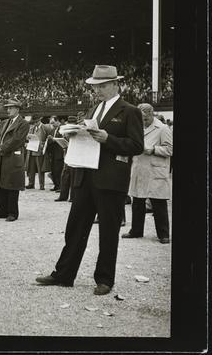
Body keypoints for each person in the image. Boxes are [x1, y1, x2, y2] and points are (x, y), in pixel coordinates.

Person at [35, 65, 143, 296]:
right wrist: (73, 136)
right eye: (95, 86)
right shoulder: (93, 109)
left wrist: (108, 139)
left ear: (116, 84)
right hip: (85, 176)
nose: (97, 90)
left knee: (108, 231)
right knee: (75, 228)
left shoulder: (130, 111)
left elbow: (136, 146)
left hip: (111, 179)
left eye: (102, 86)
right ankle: (64, 274)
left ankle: (105, 279)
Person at [122, 103, 173, 243]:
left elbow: (170, 149)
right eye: (140, 119)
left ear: (152, 114)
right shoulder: (136, 127)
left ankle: (163, 234)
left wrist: (153, 149)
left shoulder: (162, 128)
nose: (142, 122)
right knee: (137, 201)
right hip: (139, 168)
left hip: (155, 170)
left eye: (145, 119)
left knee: (158, 203)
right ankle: (136, 230)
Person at [0, 100, 29, 222]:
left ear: (17, 109)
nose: (8, 110)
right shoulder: (4, 122)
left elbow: (17, 140)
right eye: (7, 108)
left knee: (12, 185)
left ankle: (12, 213)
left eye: (10, 108)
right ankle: (1, 211)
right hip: (1, 156)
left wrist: (1, 148)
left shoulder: (23, 124)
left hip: (12, 156)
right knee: (0, 184)